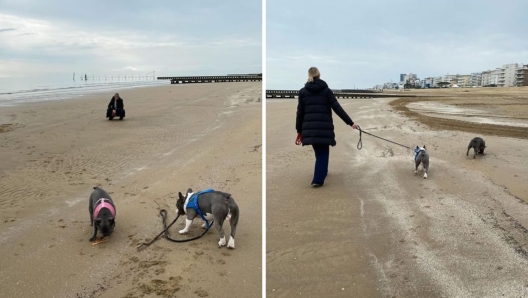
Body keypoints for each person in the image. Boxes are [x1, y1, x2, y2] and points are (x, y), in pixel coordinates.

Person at [295, 67, 359, 187]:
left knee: (319, 152)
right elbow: (337, 108)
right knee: (322, 153)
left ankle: (322, 170)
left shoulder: (303, 92)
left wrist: (299, 130)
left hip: (310, 129)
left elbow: (300, 113)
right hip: (324, 128)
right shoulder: (326, 91)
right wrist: (351, 123)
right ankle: (318, 180)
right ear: (319, 75)